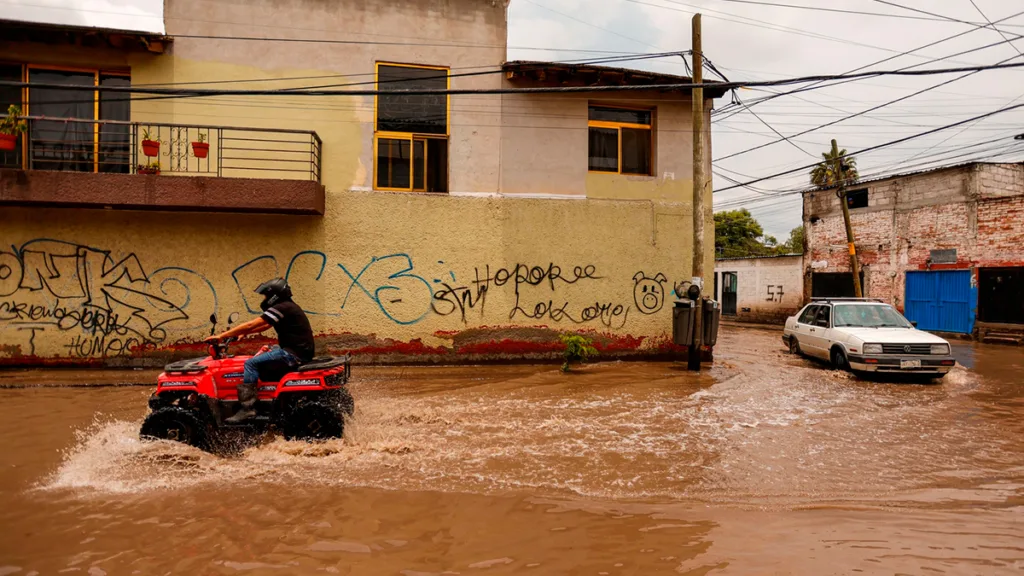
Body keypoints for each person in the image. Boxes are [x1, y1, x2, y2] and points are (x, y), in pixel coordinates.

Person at [205, 278, 315, 423]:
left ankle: (247, 408)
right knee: (267, 349)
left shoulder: (282, 307)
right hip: (300, 351)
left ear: (274, 296)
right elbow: (264, 326)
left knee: (250, 364)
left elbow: (252, 324)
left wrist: (221, 336)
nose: (265, 299)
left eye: (266, 296)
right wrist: (241, 333)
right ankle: (265, 394)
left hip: (293, 354)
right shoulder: (288, 306)